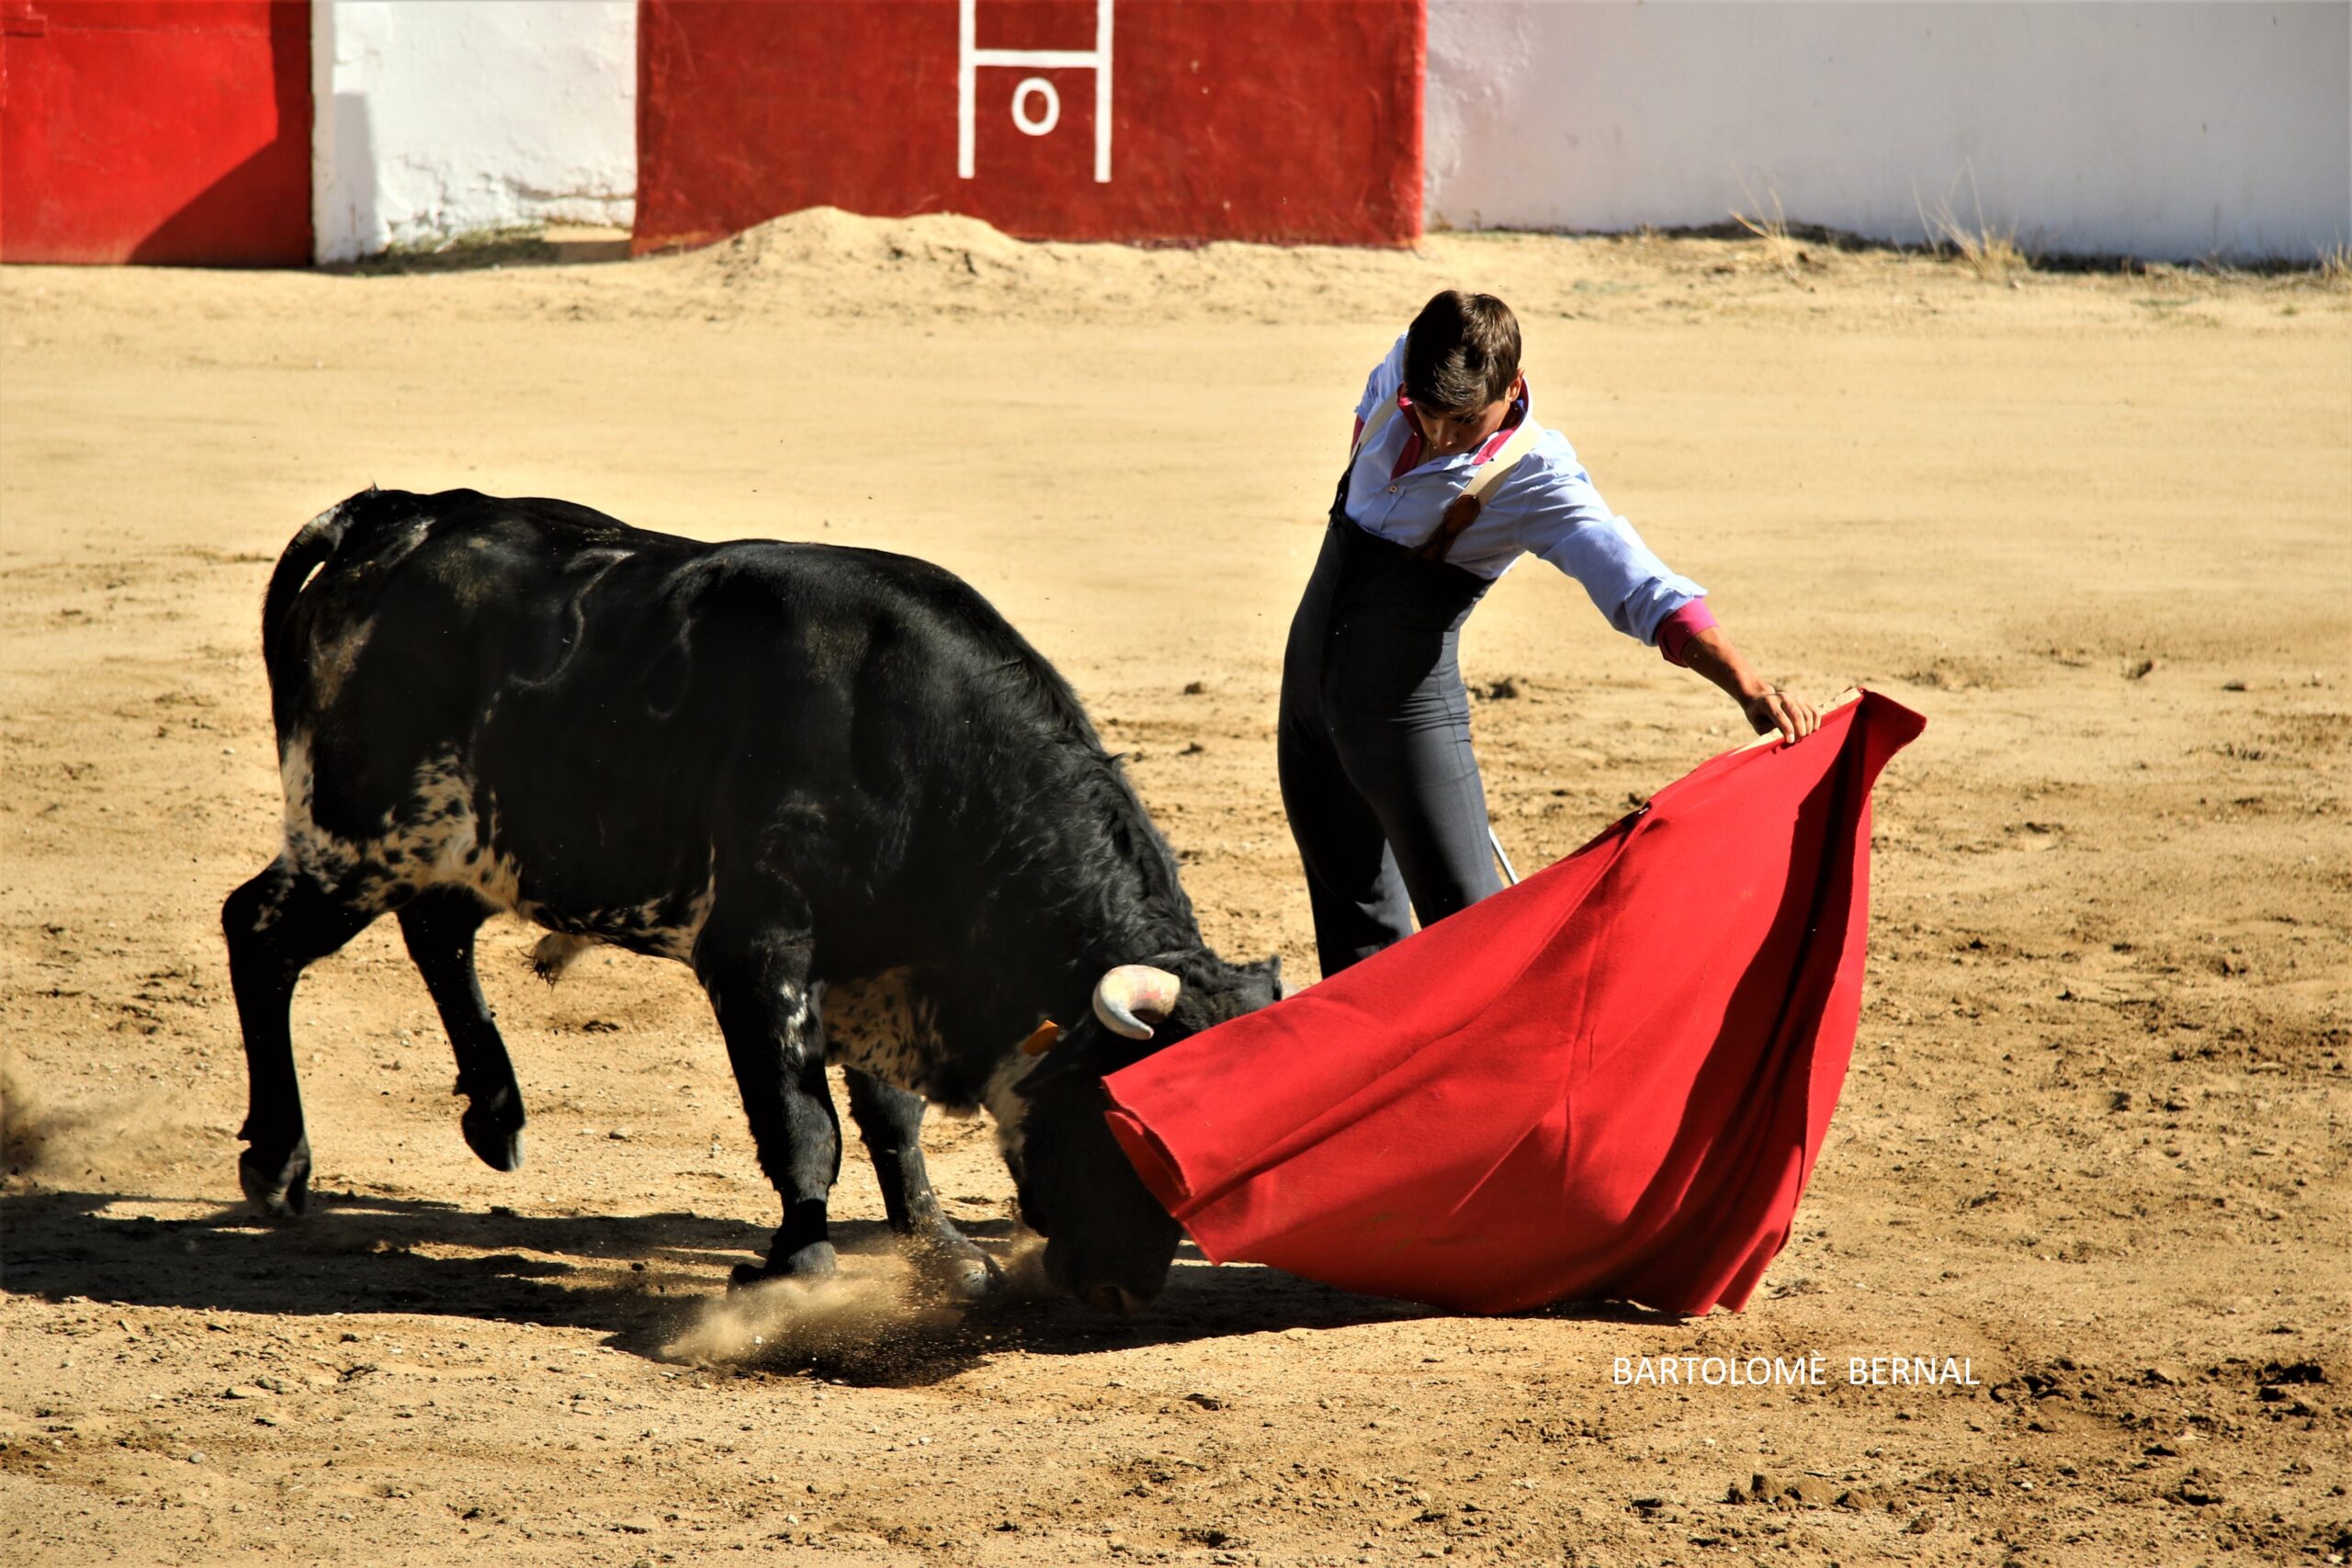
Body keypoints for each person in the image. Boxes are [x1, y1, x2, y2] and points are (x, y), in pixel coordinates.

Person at [1278, 289, 1819, 978]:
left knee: (1474, 942)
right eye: (1428, 413)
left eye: (1464, 420)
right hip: (1306, 704)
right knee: (1351, 933)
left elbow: (1639, 585)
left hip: (1404, 726)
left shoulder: (1538, 478)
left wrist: (1747, 684)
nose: (1440, 435)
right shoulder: (1404, 371)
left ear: (1513, 387)